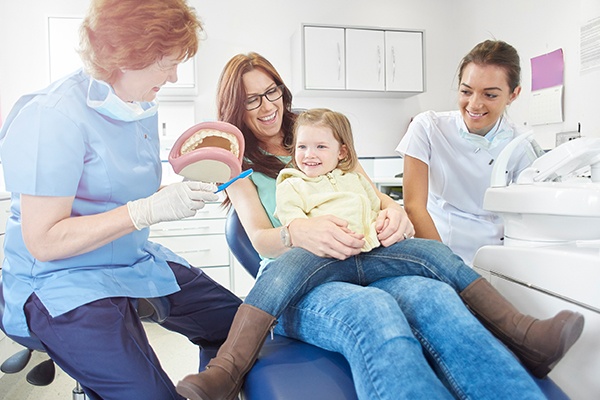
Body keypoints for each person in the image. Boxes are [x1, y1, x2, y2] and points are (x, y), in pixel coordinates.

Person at [176, 52, 558, 400]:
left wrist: (397, 214)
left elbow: (374, 195)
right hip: (299, 283)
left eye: (271, 92)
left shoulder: (320, 132)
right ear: (236, 106)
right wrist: (297, 233)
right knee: (372, 309)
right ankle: (226, 371)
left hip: (367, 259)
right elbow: (259, 238)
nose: (266, 106)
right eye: (251, 99)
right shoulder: (239, 162)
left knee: (437, 299)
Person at [0, 1, 242, 399]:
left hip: (128, 259)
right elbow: (44, 241)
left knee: (240, 328)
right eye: (166, 62)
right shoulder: (52, 116)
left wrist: (172, 197)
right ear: (126, 56)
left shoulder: (137, 104)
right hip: (61, 282)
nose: (175, 74)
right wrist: (147, 210)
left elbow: (120, 196)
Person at [396, 39, 543, 265]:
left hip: (496, 254)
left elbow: (528, 218)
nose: (474, 104)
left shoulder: (521, 144)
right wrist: (446, 267)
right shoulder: (428, 127)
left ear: (513, 94)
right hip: (438, 246)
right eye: (466, 91)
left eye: (490, 95)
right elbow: (414, 207)